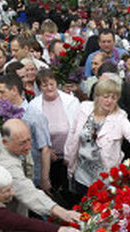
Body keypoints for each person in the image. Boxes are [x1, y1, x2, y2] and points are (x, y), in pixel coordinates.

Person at [65, 78, 130, 202]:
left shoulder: (120, 117)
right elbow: (73, 133)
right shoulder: (84, 108)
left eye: (114, 97)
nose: (110, 101)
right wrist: (68, 157)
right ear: (98, 96)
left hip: (106, 179)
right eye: (106, 97)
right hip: (82, 175)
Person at [0, 119, 80, 222]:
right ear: (5, 142)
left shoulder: (10, 135)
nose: (28, 147)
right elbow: (26, 190)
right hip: (5, 209)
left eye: (29, 140)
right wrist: (60, 211)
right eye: (22, 143)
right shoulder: (6, 164)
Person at [29, 69, 80, 207]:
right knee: (52, 194)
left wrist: (70, 152)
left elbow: (77, 129)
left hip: (70, 156)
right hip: (48, 159)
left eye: (52, 84)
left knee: (71, 194)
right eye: (45, 85)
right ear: (39, 88)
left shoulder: (72, 102)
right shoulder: (34, 106)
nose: (50, 88)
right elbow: (33, 134)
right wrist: (47, 150)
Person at [0, 74, 52, 191]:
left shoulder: (34, 115)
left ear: (14, 90)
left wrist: (44, 178)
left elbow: (45, 149)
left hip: (30, 177)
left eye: (2, 92)